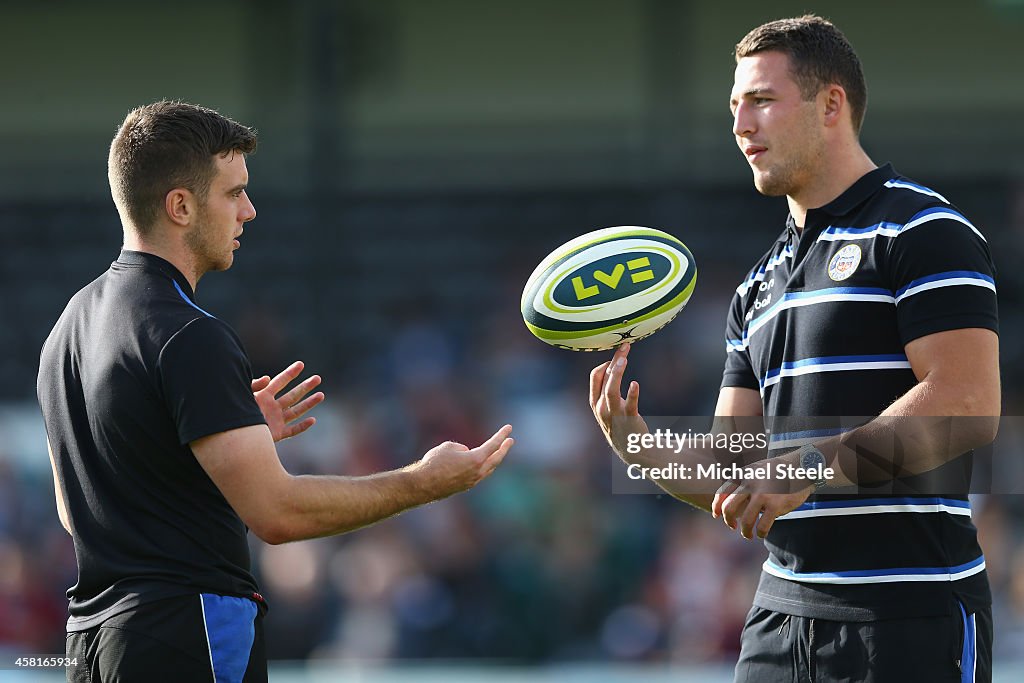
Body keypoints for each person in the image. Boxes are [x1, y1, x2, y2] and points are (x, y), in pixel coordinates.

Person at [36, 100, 514, 683]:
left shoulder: (69, 325)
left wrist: (209, 442)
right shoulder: (190, 335)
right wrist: (424, 483)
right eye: (233, 193)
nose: (250, 211)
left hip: (91, 643)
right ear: (180, 206)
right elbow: (277, 515)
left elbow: (75, 508)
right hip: (189, 633)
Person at [590, 15, 999, 683]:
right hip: (780, 619)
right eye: (734, 106)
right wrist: (636, 445)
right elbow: (736, 468)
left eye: (761, 100)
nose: (740, 125)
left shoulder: (924, 228)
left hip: (908, 613)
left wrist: (805, 465)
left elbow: (968, 403)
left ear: (831, 104)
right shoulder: (756, 286)